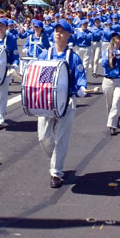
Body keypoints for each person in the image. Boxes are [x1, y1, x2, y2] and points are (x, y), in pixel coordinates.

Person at [36, 19, 88, 188]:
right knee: (43, 137)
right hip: (46, 101)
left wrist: (81, 88)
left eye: (62, 31)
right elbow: (39, 77)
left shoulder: (73, 57)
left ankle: (56, 173)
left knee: (61, 138)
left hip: (66, 101)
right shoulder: (45, 55)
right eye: (56, 30)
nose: (58, 33)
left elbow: (80, 77)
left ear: (68, 35)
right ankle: (56, 159)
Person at [101, 30, 120, 135]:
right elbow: (104, 64)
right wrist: (110, 56)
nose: (115, 41)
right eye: (114, 39)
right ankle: (114, 118)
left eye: (117, 39)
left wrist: (119, 56)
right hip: (108, 80)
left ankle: (112, 125)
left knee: (116, 103)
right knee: (110, 104)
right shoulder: (106, 51)